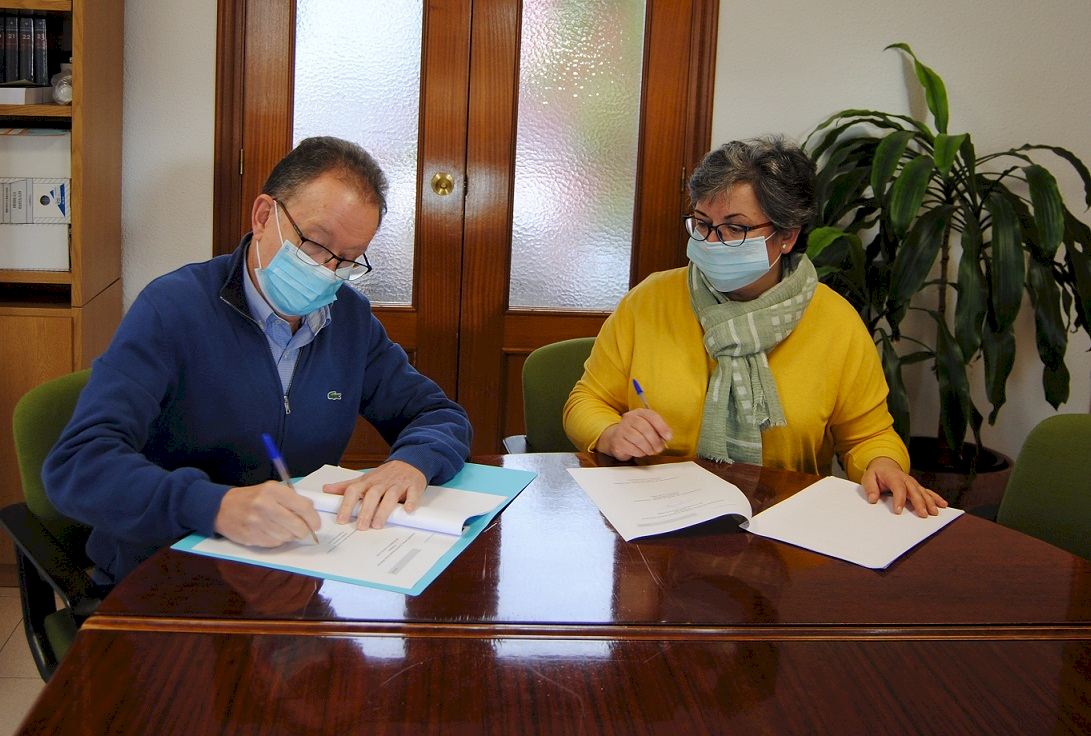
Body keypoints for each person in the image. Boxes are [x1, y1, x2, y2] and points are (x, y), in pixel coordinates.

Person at [44, 136, 473, 584]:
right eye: (314, 243)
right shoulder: (172, 310)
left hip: (291, 566)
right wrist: (215, 506)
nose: (327, 271)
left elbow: (438, 414)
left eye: (347, 260)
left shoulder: (349, 320)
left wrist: (412, 463)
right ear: (265, 216)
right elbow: (79, 463)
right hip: (168, 571)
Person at [563, 136, 945, 517]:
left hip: (787, 521)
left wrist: (883, 463)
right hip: (657, 515)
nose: (712, 241)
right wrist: (610, 432)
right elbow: (586, 401)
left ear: (787, 235)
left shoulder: (835, 321)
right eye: (702, 223)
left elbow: (870, 436)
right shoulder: (649, 301)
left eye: (735, 228)